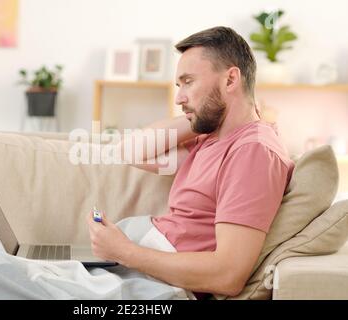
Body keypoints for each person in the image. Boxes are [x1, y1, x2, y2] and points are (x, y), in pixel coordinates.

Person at [87, 26, 295, 299]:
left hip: (149, 282)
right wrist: (201, 119)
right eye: (178, 85)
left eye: (188, 82)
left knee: (13, 277)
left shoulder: (253, 150)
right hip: (130, 271)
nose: (179, 98)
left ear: (231, 80)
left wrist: (124, 252)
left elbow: (228, 274)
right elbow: (130, 152)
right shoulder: (212, 140)